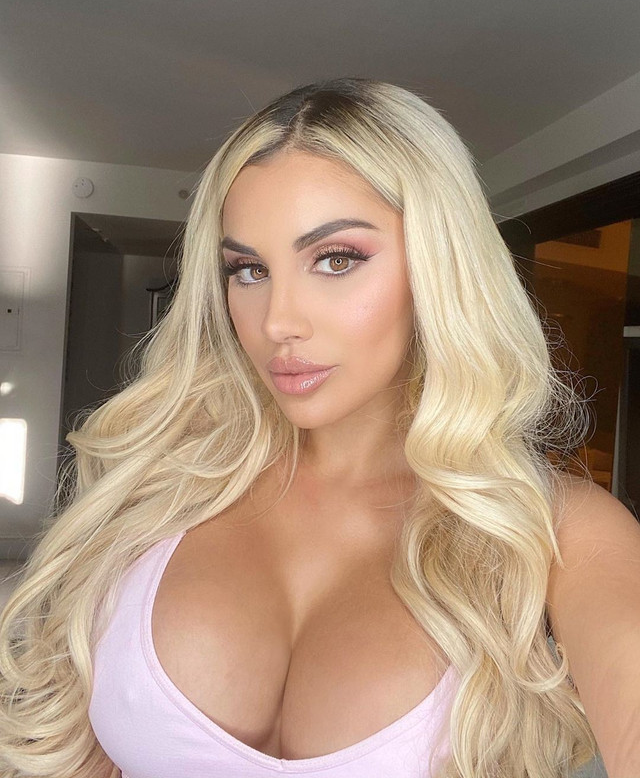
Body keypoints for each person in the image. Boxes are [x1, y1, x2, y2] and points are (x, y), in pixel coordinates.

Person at [1, 78, 639, 778]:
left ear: (441, 267)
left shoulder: (558, 534)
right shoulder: (159, 488)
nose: (278, 321)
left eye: (337, 259)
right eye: (248, 269)